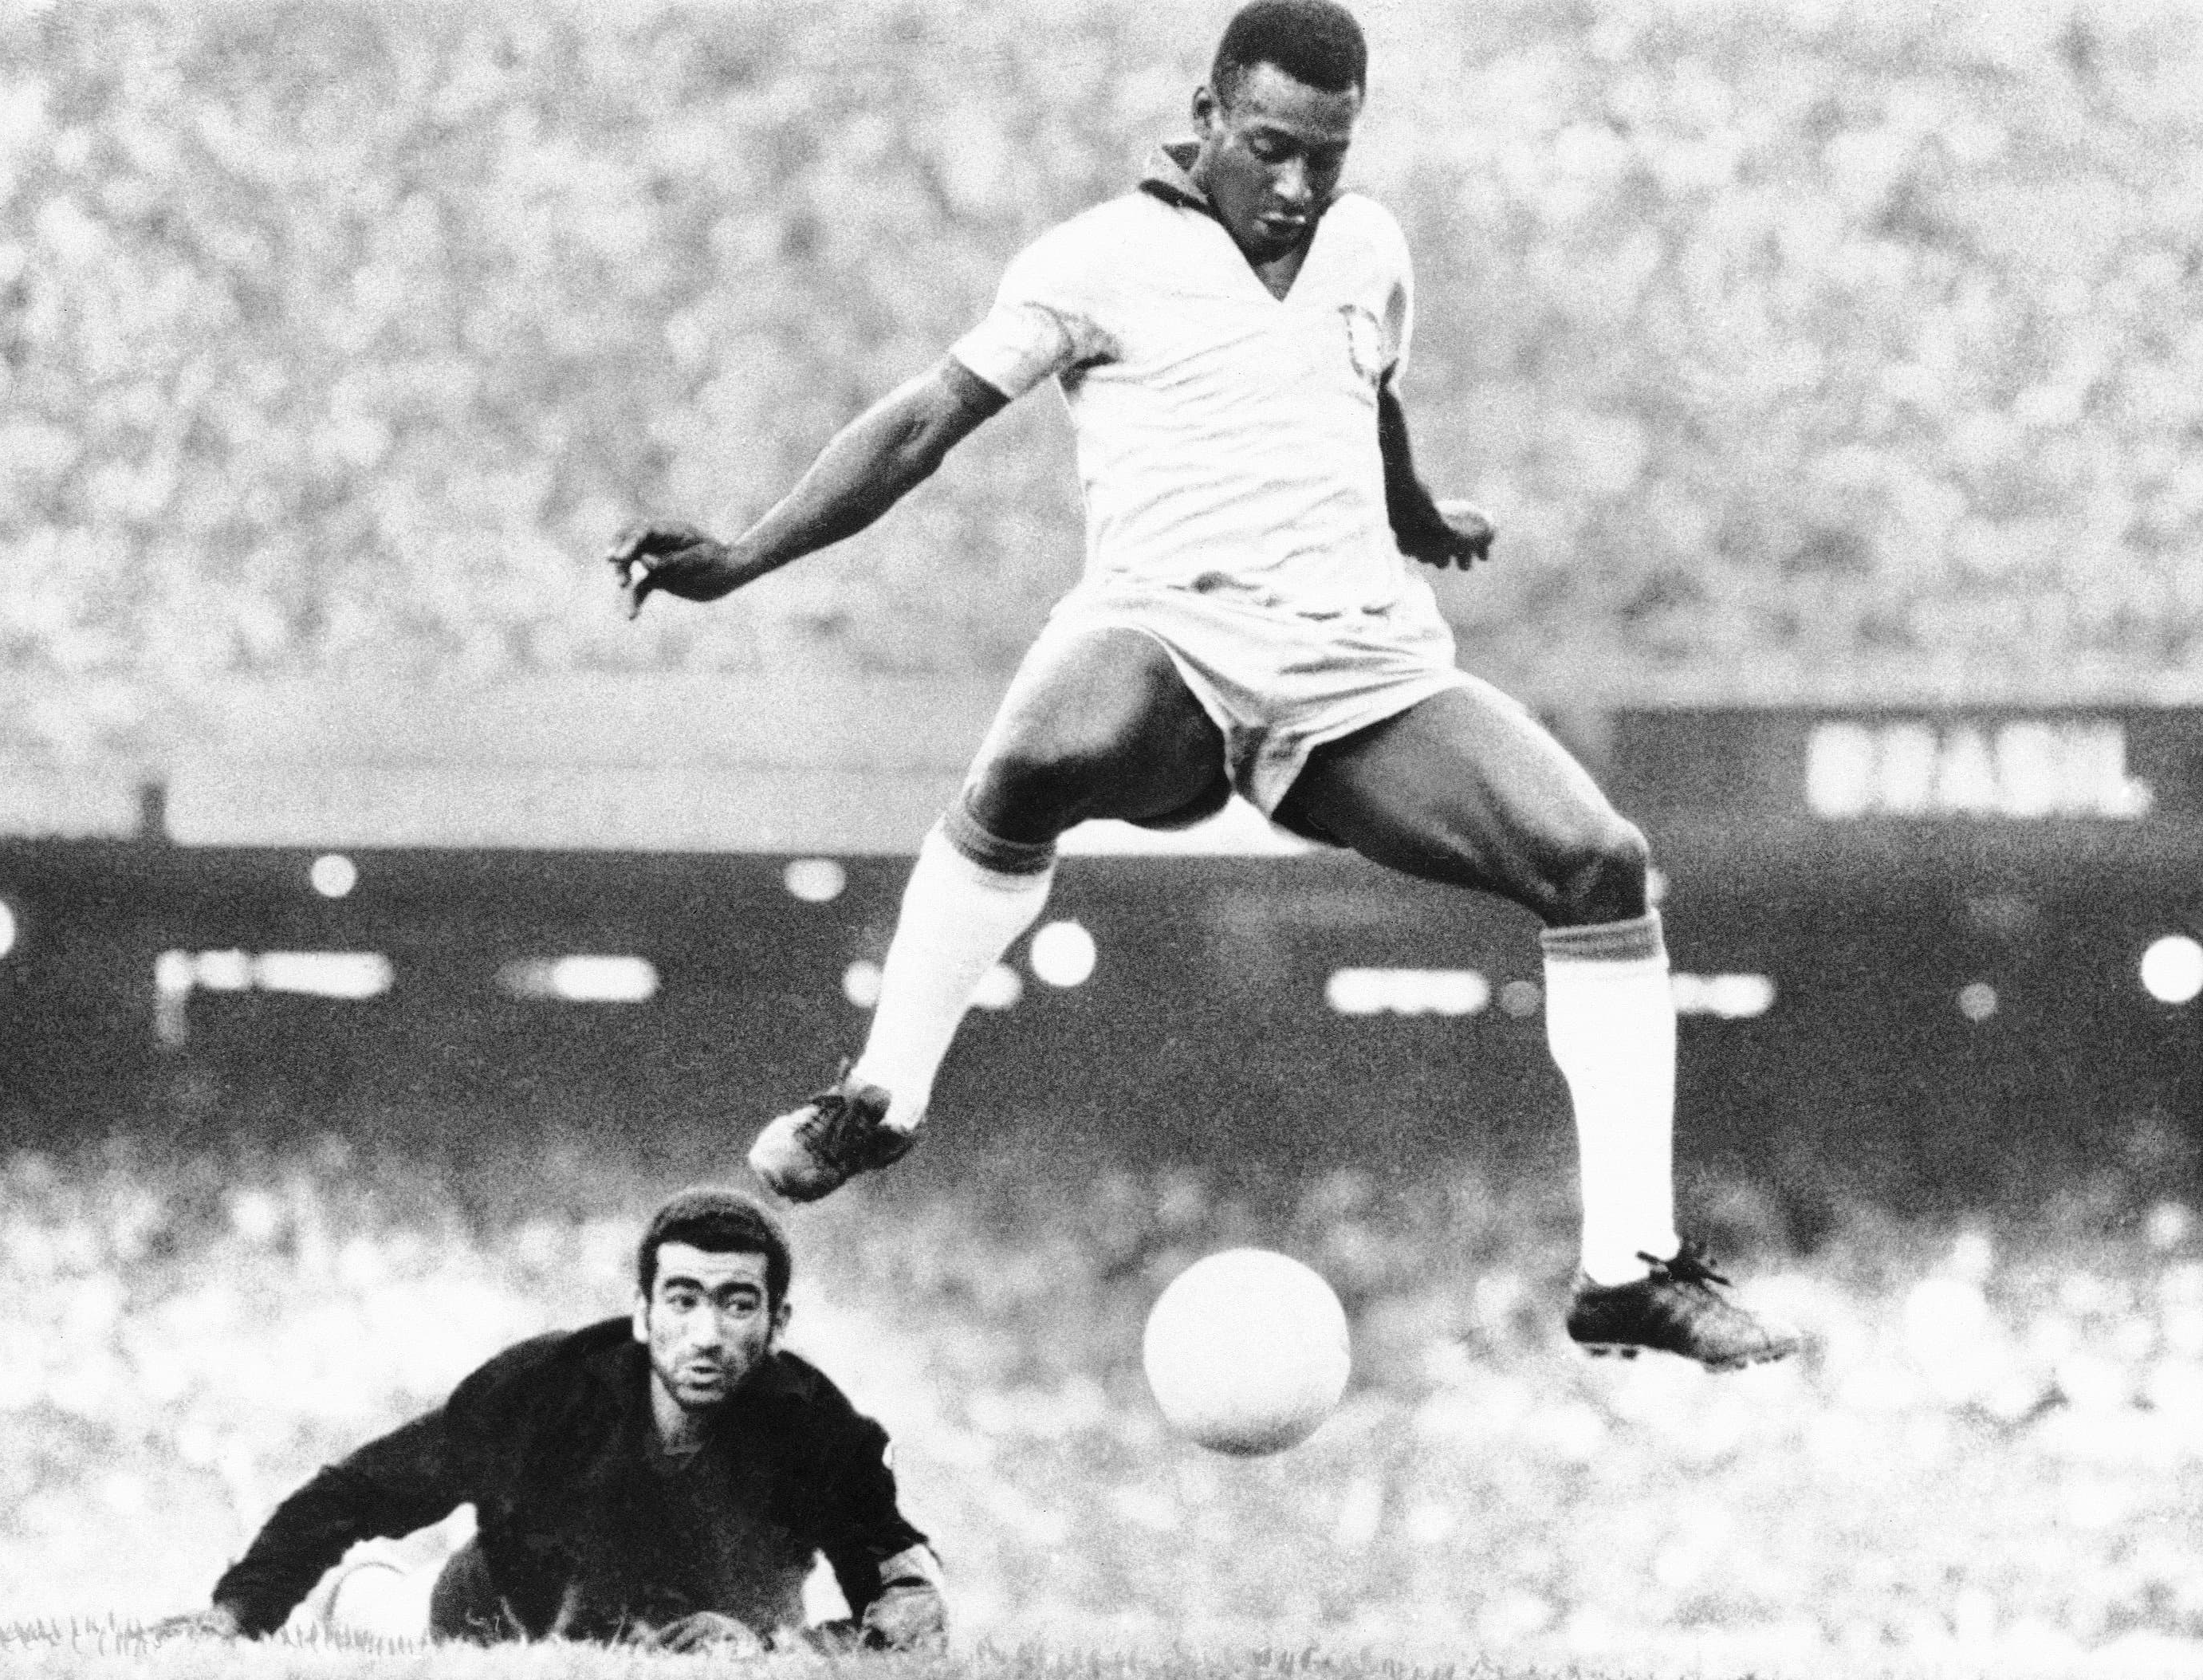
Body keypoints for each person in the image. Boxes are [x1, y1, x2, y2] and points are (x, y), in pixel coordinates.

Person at [609, 0, 1796, 1371]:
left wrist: (1414, 511)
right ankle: (881, 1092)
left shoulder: (1366, 246)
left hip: (1354, 670)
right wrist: (745, 556)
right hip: (1163, 642)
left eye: (1327, 158)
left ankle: (1624, 1267)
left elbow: (1368, 387)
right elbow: (926, 421)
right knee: (1029, 763)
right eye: (1272, 147)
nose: (1297, 188)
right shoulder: (1098, 260)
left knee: (1601, 862)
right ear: (1210, 109)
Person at [152, 1188, 946, 1650]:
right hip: (498, 1611)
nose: (707, 1334)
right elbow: (358, 1490)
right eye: (683, 1299)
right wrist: (237, 1612)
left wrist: (800, 1646)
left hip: (719, 1633)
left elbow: (905, 1600)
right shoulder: (546, 1386)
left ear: (778, 1321)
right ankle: (369, 1596)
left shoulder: (819, 1430)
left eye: (738, 1303)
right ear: (640, 1313)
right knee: (386, 1616)